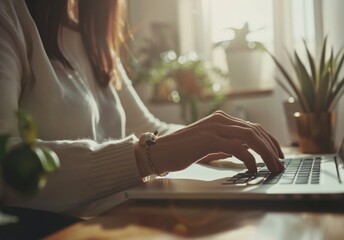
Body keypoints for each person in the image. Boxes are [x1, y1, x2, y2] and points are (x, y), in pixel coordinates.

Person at [0, 0, 284, 213]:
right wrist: (146, 157)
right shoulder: (10, 15)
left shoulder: (91, 36)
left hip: (122, 218)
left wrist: (210, 138)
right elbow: (6, 167)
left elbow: (148, 130)